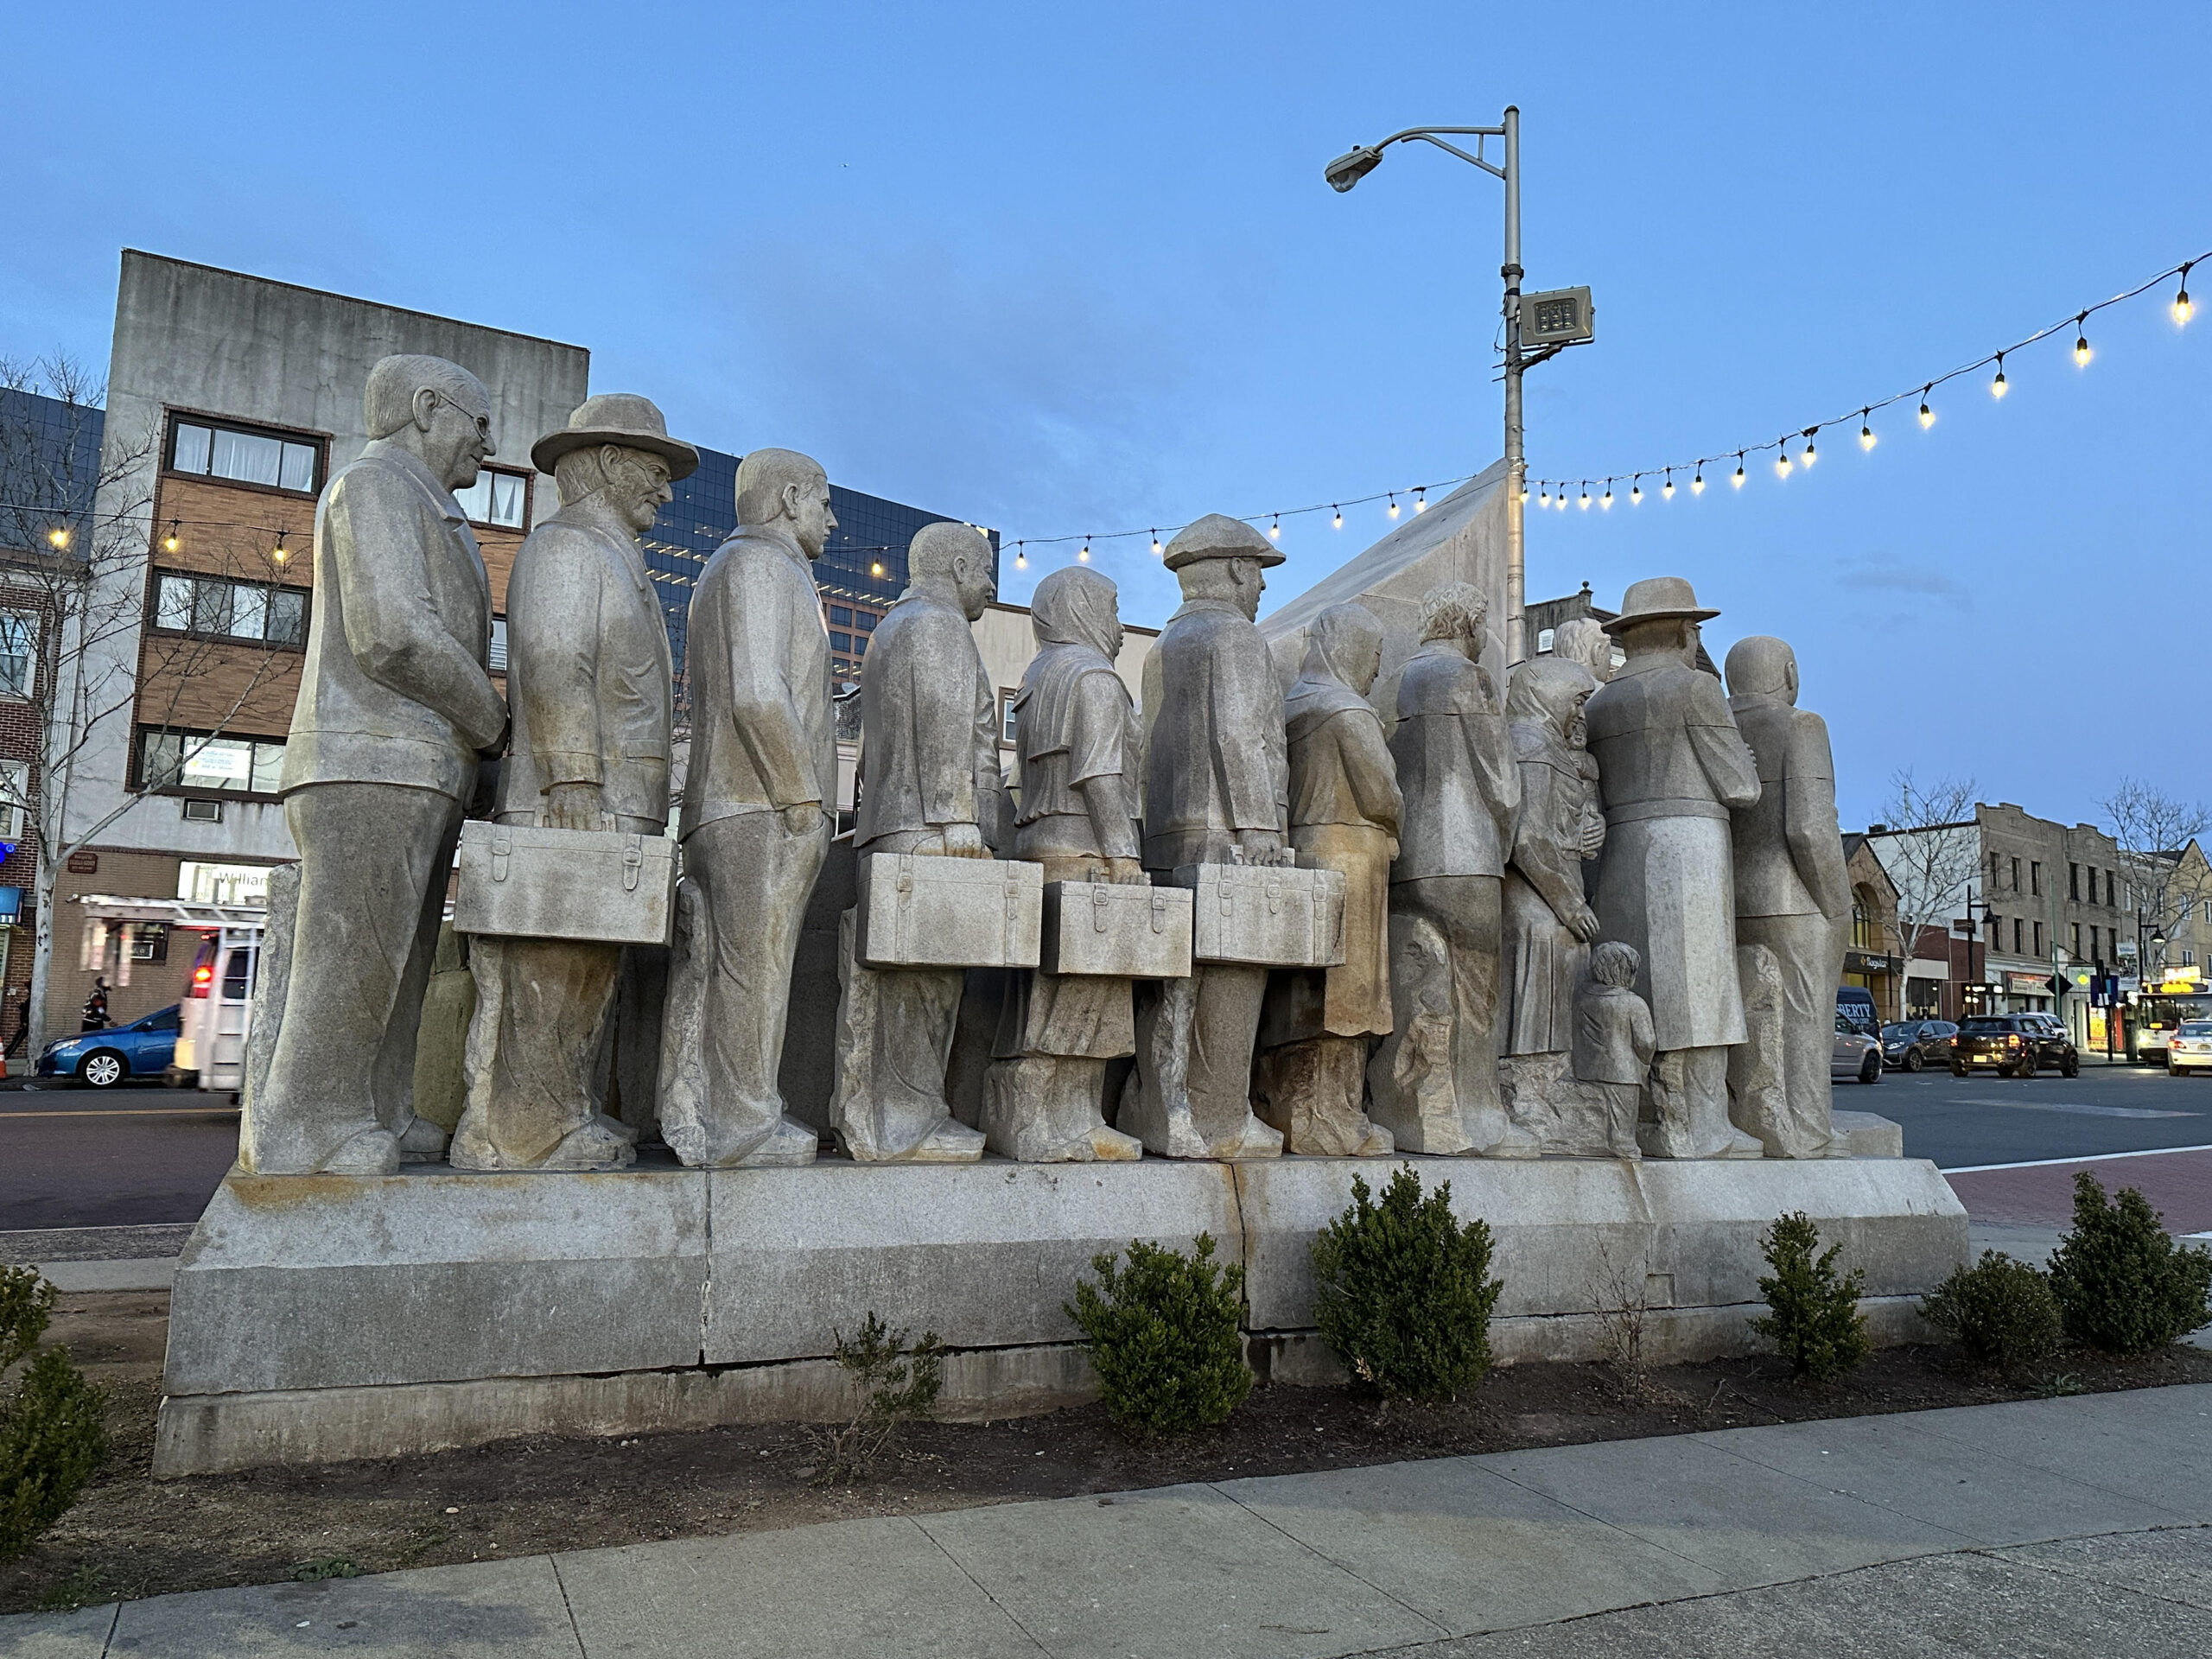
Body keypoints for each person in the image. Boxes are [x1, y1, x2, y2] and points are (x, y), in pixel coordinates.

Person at [246, 355, 507, 1175]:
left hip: (416, 765)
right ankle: (309, 1122)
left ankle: (379, 1111)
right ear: (429, 409)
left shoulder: (427, 504)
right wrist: (492, 721)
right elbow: (394, 633)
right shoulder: (377, 486)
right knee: (354, 953)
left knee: (398, 957)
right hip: (369, 759)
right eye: (479, 421)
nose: (488, 443)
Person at [449, 395, 693, 1172]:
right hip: (576, 801)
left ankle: (561, 1112)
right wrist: (575, 780)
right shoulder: (568, 547)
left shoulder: (610, 552)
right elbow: (557, 663)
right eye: (654, 471)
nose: (666, 489)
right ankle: (520, 1130)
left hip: (613, 801)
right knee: (549, 970)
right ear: (613, 465)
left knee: (584, 968)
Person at [656, 448, 839, 1168]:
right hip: (758, 802)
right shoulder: (761, 566)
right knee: (750, 967)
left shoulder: (742, 567)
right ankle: (742, 1121)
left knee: (748, 964)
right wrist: (802, 798)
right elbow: (758, 694)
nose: (830, 517)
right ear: (790, 497)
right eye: (823, 501)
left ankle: (740, 1109)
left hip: (742, 801)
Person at [829, 520, 1000, 1162]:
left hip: (889, 824)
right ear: (957, 566)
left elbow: (872, 757)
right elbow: (944, 726)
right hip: (930, 831)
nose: (987, 586)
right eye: (984, 570)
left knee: (902, 986)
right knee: (924, 988)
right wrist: (959, 823)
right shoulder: (938, 626)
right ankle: (908, 1121)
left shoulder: (890, 629)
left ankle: (891, 1113)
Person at [1122, 513, 1287, 1160]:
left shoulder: (1164, 646)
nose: (1263, 589)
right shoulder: (1237, 638)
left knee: (1176, 985)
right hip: (1228, 833)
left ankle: (1162, 1103)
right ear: (1239, 570)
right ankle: (1220, 1117)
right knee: (1235, 972)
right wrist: (1261, 827)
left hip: (1169, 834)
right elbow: (1240, 735)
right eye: (1260, 574)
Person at [1584, 576, 1764, 1160]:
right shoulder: (1696, 689)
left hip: (1619, 848)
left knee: (1639, 980)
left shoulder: (1600, 700)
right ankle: (1702, 1126)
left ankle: (1646, 1116)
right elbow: (1740, 785)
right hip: (1691, 846)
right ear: (1686, 632)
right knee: (1698, 987)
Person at [982, 565, 1146, 1161]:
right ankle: (1063, 1121)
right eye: (1111, 608)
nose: (1121, 626)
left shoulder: (1036, 677)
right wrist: (1125, 855)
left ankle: (1041, 1118)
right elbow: (1101, 776)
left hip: (1038, 847)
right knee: (1084, 997)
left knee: (1037, 1001)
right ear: (1080, 610)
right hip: (1087, 851)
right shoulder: (1096, 679)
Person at [1367, 583, 1535, 1155]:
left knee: (1418, 987)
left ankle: (1407, 1110)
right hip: (1465, 854)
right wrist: (1505, 844)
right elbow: (1502, 782)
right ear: (1468, 622)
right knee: (1474, 992)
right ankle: (1479, 1116)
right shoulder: (1468, 677)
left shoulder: (1392, 679)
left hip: (1406, 856)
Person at [1255, 602, 1397, 1156]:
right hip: (1353, 858)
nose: (1378, 671)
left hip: (1306, 851)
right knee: (1347, 999)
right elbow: (1383, 795)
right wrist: (1397, 821)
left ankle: (1289, 1102)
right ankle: (1331, 1115)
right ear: (1353, 649)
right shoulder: (1347, 711)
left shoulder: (1293, 704)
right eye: (1376, 656)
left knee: (1303, 994)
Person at [1726, 635, 1852, 1157]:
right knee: (1804, 1017)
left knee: (1748, 1015)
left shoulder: (1721, 726)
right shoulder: (1802, 726)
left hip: (1731, 898)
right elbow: (1810, 828)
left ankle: (1747, 1119)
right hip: (1795, 897)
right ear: (1790, 674)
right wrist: (1839, 903)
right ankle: (1808, 1131)